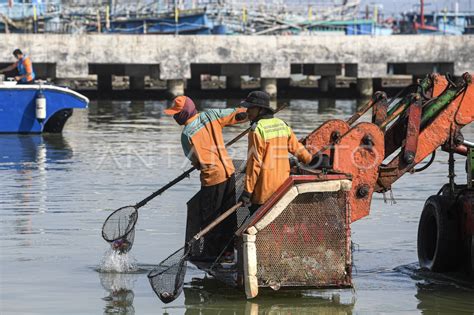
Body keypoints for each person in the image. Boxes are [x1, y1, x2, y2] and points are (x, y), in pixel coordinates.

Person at [164, 96, 247, 262]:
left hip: (212, 179)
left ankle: (212, 254)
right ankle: (228, 253)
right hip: (229, 172)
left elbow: (196, 161)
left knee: (211, 218)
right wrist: (249, 113)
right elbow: (237, 115)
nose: (174, 117)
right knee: (228, 215)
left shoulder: (186, 135)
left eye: (176, 113)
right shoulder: (211, 116)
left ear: (185, 112)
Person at [238, 91, 315, 214]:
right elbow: (297, 148)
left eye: (250, 108)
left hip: (264, 191)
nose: (247, 112)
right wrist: (311, 160)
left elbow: (254, 164)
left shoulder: (257, 130)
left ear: (260, 109)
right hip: (283, 188)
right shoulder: (282, 125)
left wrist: (247, 191)